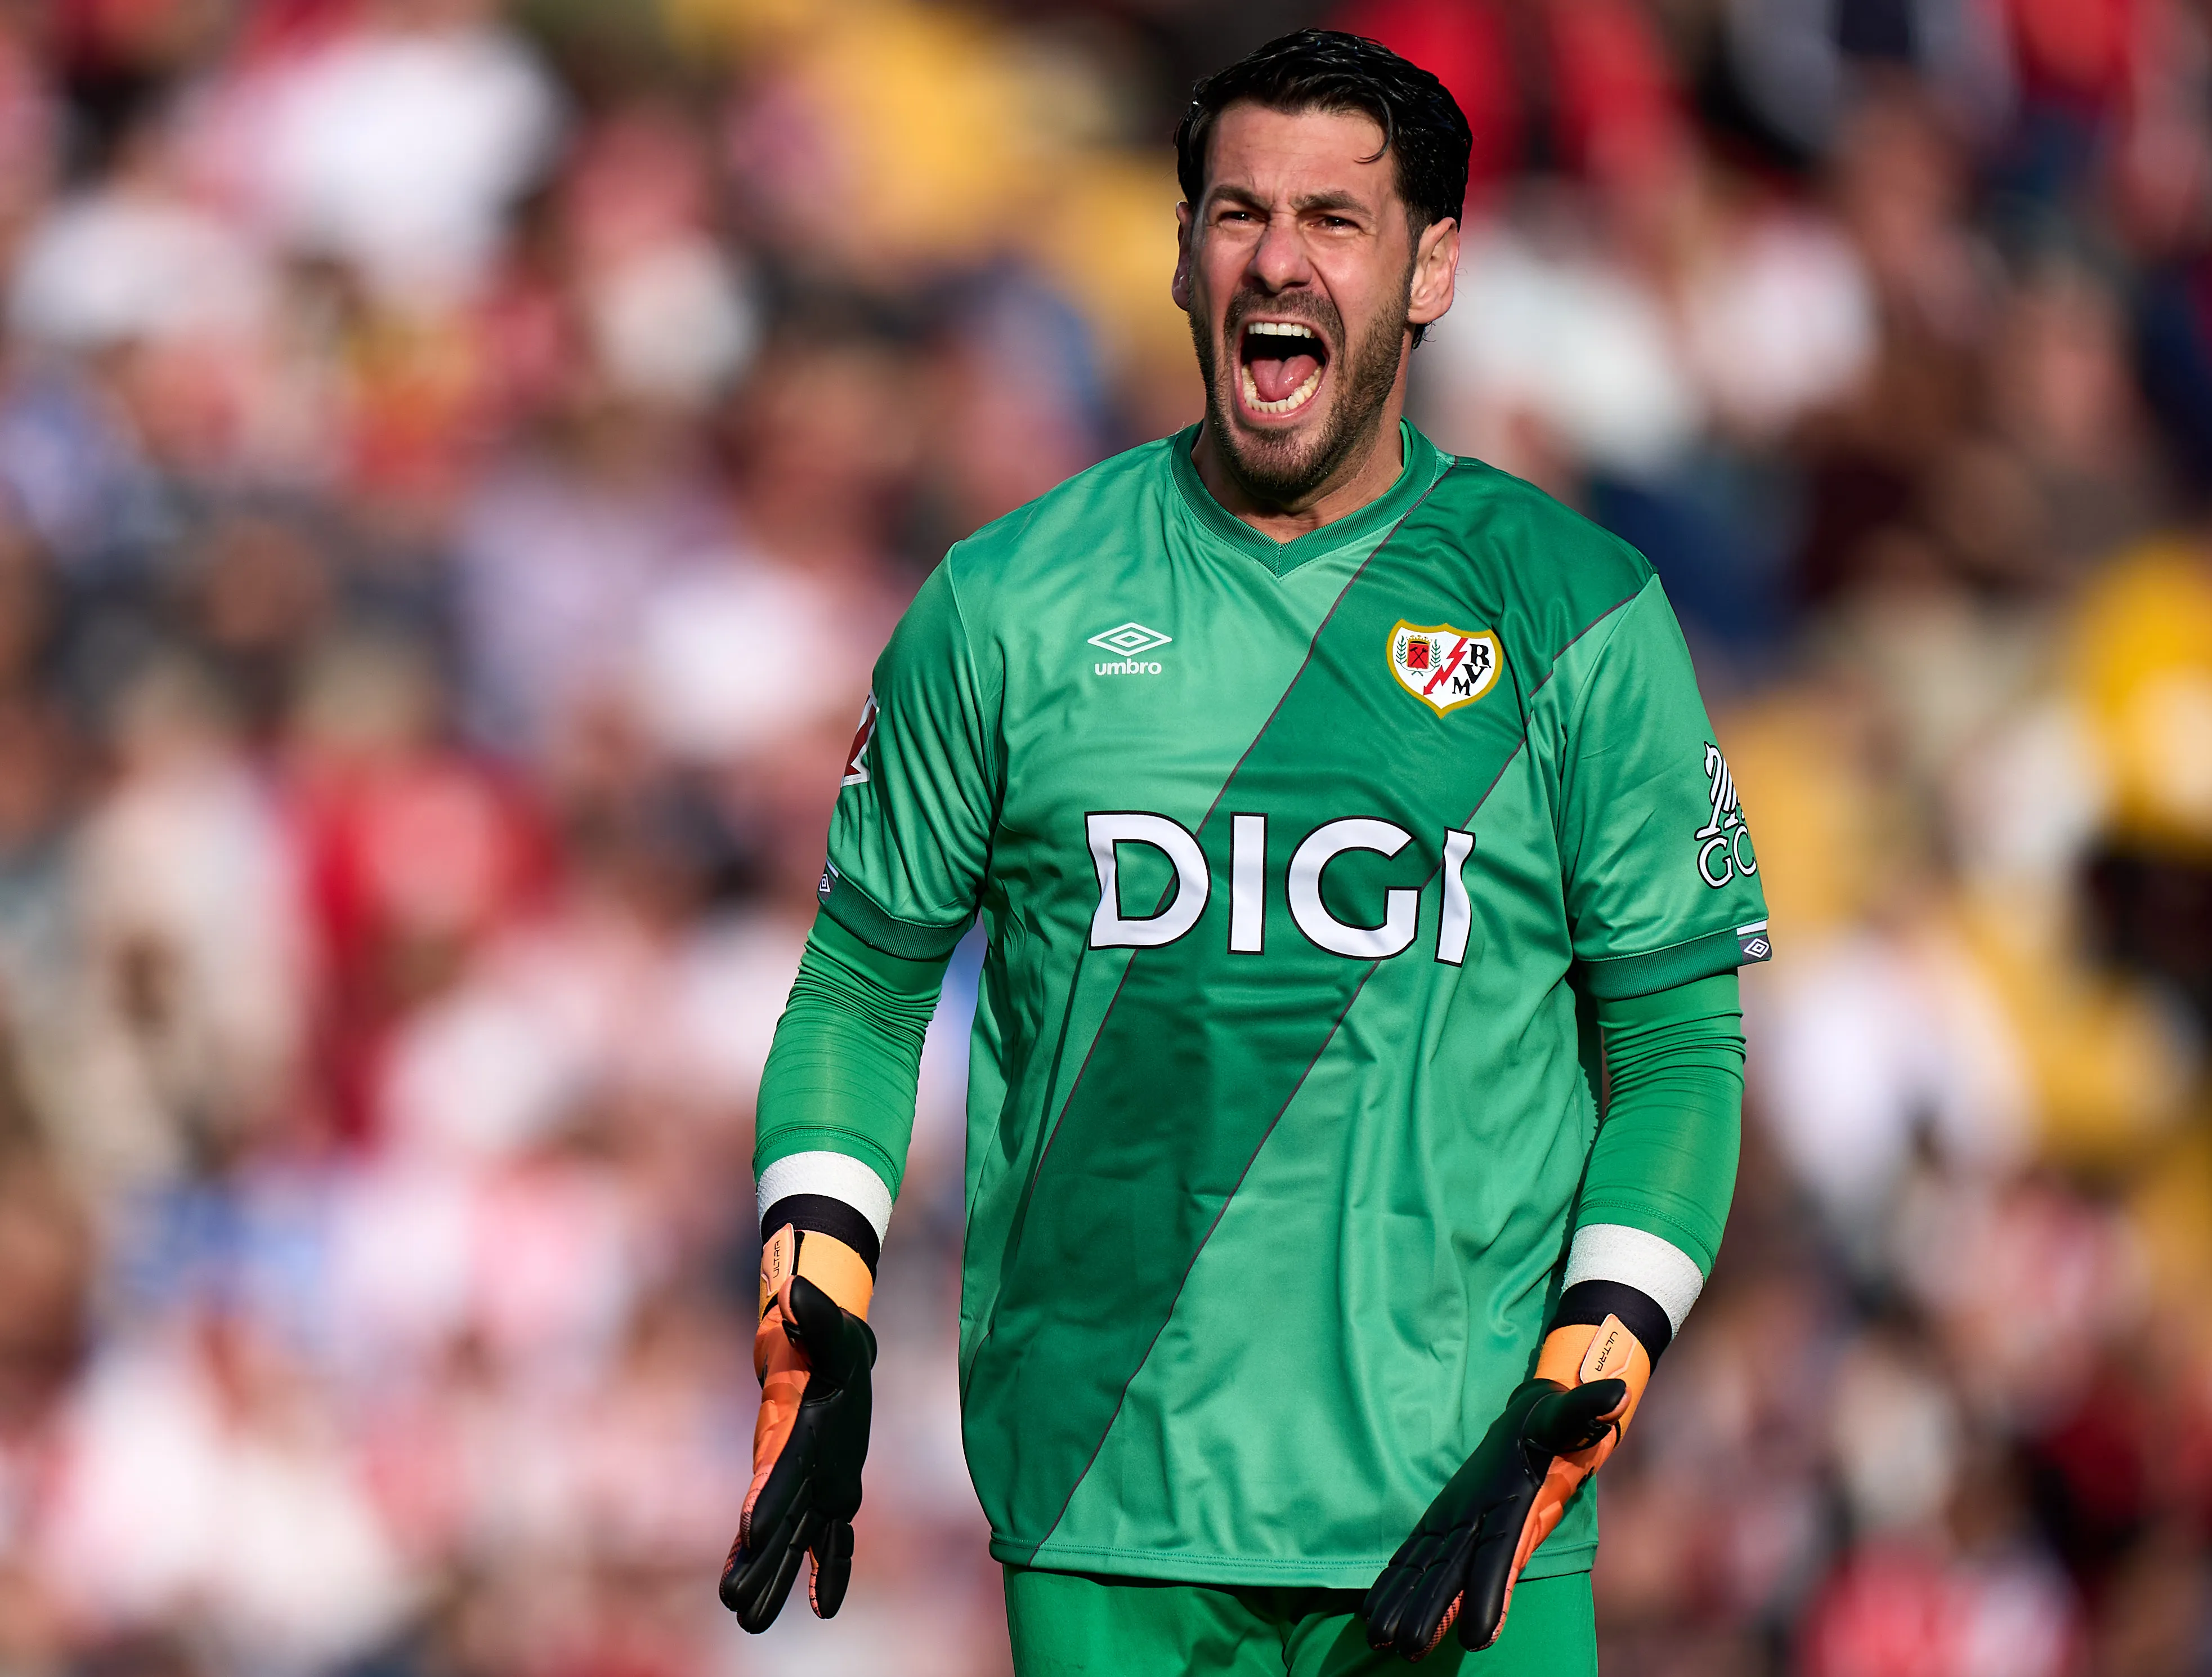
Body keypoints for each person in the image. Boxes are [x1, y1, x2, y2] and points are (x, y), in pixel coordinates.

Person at [718, 29, 1768, 1676]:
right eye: (1235, 213)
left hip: (1469, 1507)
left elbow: (1678, 1052)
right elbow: (859, 990)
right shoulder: (1007, 606)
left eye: (1334, 222)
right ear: (1182, 253)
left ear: (1431, 269)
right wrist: (816, 1288)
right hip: (1103, 1505)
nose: (1277, 257)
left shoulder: (1577, 614)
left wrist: (1592, 1365)